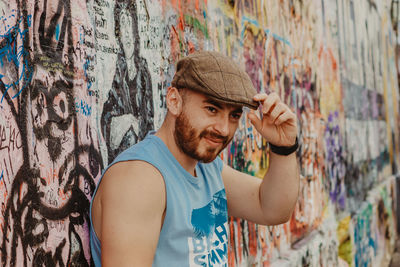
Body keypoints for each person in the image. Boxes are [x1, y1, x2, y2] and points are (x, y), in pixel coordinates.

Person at [89, 51, 300, 266]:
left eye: (234, 115)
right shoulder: (141, 179)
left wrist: (284, 147)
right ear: (174, 101)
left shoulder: (205, 168)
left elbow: (271, 208)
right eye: (211, 109)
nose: (224, 129)